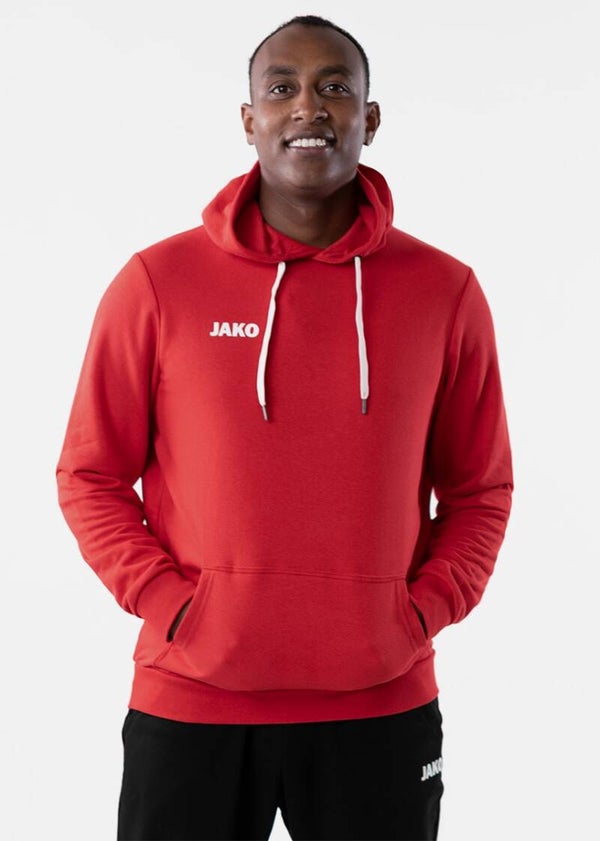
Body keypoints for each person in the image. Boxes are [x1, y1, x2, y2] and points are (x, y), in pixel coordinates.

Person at [56, 14, 513, 841]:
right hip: (191, 701)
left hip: (379, 705)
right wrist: (169, 604)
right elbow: (89, 473)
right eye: (282, 88)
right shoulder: (158, 283)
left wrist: (421, 611)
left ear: (370, 118)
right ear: (249, 119)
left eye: (335, 87)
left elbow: (481, 488)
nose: (309, 106)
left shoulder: (444, 292)